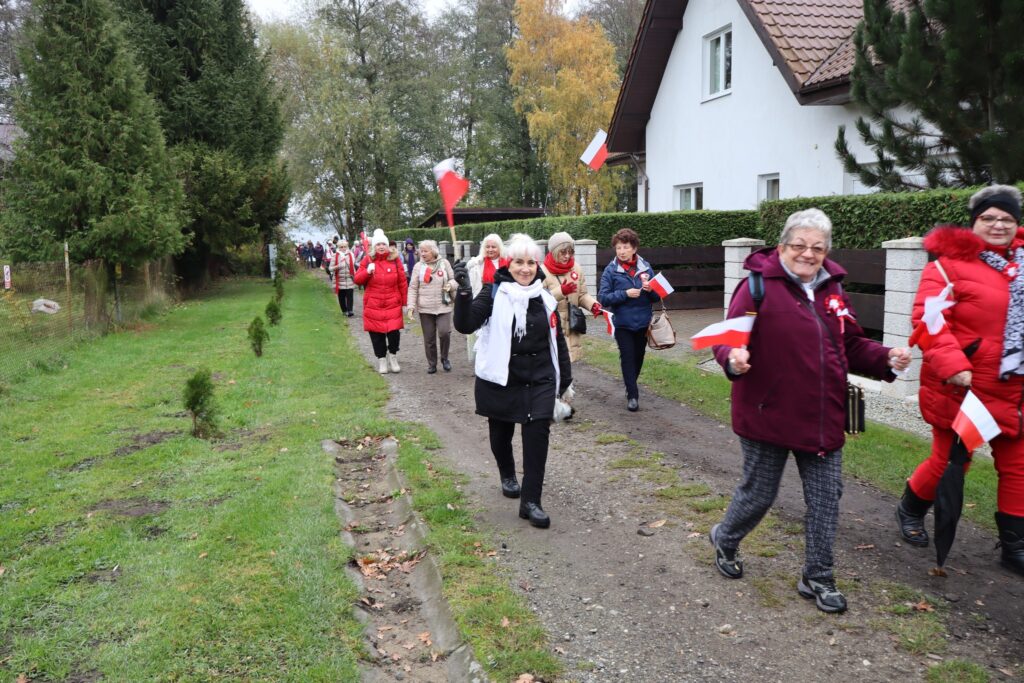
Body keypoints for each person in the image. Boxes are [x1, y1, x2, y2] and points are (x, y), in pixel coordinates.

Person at [709, 208, 911, 614]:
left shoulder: (833, 290)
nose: (808, 253)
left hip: (822, 414)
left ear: (826, 251)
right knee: (759, 493)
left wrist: (886, 357)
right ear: (782, 246)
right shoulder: (757, 286)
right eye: (799, 245)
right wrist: (733, 358)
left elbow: (850, 345)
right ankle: (726, 538)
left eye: (817, 247)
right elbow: (726, 339)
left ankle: (817, 575)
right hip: (768, 410)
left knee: (826, 499)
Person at [896, 185, 1024, 577]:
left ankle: (1015, 546)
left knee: (1019, 466)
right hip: (965, 383)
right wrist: (952, 363)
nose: (998, 224)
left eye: (1006, 218)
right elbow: (929, 319)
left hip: (1015, 385)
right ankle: (910, 509)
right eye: (989, 217)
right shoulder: (946, 266)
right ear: (974, 223)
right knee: (951, 462)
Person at [453, 233, 572, 529]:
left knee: (537, 439)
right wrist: (464, 293)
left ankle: (531, 501)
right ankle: (507, 473)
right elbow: (465, 324)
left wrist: (565, 380)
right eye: (519, 262)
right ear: (509, 263)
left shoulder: (543, 297)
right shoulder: (494, 292)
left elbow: (557, 339)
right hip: (501, 378)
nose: (525, 269)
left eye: (531, 263)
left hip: (540, 378)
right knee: (500, 434)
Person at [598, 228, 662, 411]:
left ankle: (630, 385)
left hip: (643, 322)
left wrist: (651, 290)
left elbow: (657, 298)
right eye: (618, 248)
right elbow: (604, 298)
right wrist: (624, 294)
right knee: (627, 357)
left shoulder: (645, 267)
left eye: (625, 247)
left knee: (638, 357)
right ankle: (633, 395)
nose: (621, 251)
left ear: (634, 248)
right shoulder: (611, 271)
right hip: (623, 323)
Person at [354, 229, 408, 374]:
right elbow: (357, 280)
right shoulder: (367, 260)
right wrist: (367, 272)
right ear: (374, 246)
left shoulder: (395, 260)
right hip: (374, 303)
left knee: (394, 333)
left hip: (392, 303)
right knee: (376, 335)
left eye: (384, 244)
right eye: (378, 244)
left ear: (388, 245)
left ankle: (393, 356)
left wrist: (404, 302)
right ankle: (382, 360)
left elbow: (402, 282)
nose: (381, 247)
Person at [543, 231, 601, 363]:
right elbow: (540, 301)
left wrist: (593, 305)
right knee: (554, 363)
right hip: (553, 326)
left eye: (570, 252)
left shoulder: (576, 269)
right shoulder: (542, 271)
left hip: (572, 326)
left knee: (569, 364)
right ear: (554, 251)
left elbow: (582, 294)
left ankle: (568, 384)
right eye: (563, 252)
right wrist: (561, 291)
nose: (567, 256)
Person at [407, 240, 457, 373]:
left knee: (444, 332)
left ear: (433, 251)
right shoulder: (418, 266)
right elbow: (412, 288)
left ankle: (445, 358)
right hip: (425, 308)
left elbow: (454, 280)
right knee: (429, 338)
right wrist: (410, 307)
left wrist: (450, 285)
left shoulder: (444, 263)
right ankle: (432, 363)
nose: (422, 253)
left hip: (443, 305)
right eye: (421, 251)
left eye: (425, 251)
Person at [465, 233, 509, 361]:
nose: (490, 249)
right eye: (487, 247)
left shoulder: (507, 263)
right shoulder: (478, 264)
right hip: (485, 304)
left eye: (493, 247)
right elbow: (472, 282)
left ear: (499, 248)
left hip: (504, 303)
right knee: (485, 334)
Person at [329, 238, 357, 317]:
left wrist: (356, 276)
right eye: (341, 247)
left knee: (350, 296)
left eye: (344, 246)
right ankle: (344, 310)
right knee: (341, 297)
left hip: (349, 278)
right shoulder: (335, 255)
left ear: (347, 246)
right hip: (339, 279)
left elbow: (353, 267)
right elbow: (330, 268)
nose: (343, 248)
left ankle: (350, 310)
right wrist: (338, 266)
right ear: (338, 247)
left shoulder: (351, 255)